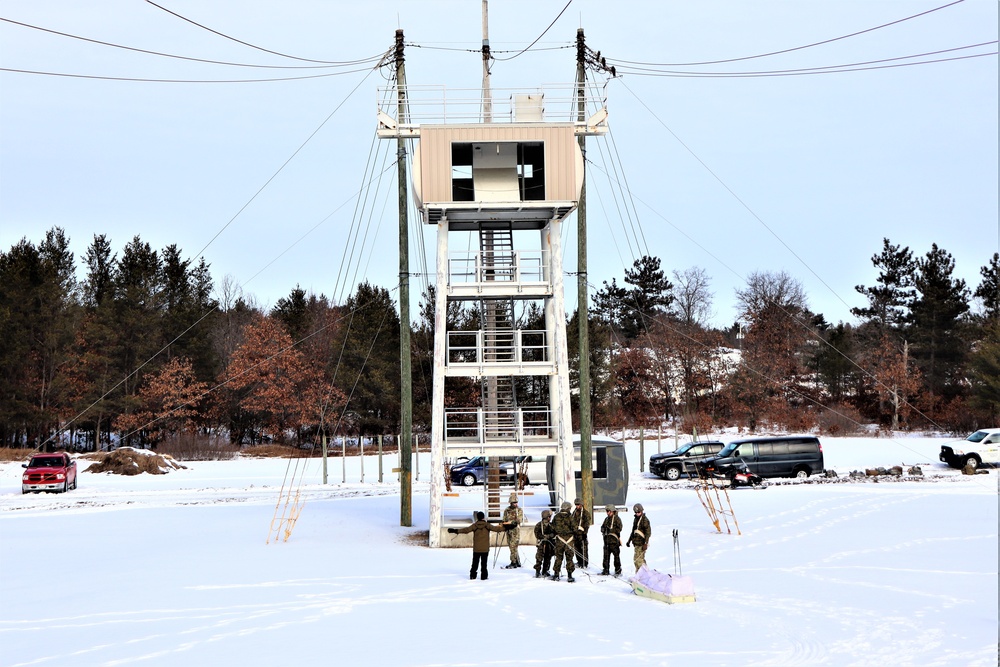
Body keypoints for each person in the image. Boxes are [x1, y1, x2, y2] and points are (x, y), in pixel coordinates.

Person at [448, 511, 506, 580]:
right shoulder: (487, 525)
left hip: (476, 549)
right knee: (484, 564)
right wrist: (506, 527)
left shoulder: (474, 525)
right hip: (485, 549)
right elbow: (497, 529)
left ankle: (472, 576)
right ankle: (484, 576)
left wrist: (455, 531)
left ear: (477, 517)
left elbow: (466, 530)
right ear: (483, 517)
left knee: (475, 563)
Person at [549, 501, 576, 582]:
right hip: (569, 540)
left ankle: (556, 574)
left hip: (559, 541)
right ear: (568, 508)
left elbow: (552, 528)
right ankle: (570, 575)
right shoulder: (571, 517)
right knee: (569, 558)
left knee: (558, 558)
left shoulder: (556, 517)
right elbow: (574, 528)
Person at [626, 503, 651, 573]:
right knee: (639, 560)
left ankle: (642, 575)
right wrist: (629, 541)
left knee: (638, 560)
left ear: (642, 511)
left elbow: (648, 532)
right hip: (636, 543)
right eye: (636, 512)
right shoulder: (636, 520)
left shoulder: (644, 520)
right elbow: (633, 531)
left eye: (638, 512)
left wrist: (645, 543)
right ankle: (642, 574)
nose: (637, 514)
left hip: (641, 543)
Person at [501, 493, 524, 569]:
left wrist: (512, 523)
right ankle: (517, 561)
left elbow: (519, 519)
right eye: (514, 502)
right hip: (508, 531)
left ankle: (513, 562)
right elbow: (504, 519)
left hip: (515, 531)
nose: (515, 504)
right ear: (510, 502)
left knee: (513, 546)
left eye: (516, 502)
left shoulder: (519, 510)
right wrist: (504, 525)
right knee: (511, 546)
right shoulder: (507, 510)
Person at [599, 503, 622, 576]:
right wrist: (603, 529)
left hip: (614, 542)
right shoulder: (606, 519)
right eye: (606, 511)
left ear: (612, 511)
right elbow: (602, 526)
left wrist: (611, 530)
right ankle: (606, 570)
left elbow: (620, 528)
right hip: (606, 541)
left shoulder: (617, 519)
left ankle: (618, 570)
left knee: (616, 557)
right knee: (606, 557)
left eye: (608, 511)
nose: (607, 513)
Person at [533, 509, 555, 578]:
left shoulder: (551, 525)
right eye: (550, 516)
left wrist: (550, 536)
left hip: (549, 544)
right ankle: (538, 571)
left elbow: (554, 533)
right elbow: (537, 534)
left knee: (547, 558)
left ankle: (545, 571)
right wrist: (544, 537)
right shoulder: (539, 525)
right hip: (541, 544)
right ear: (548, 517)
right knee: (539, 558)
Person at [572, 497, 592, 568]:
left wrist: (585, 533)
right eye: (576, 505)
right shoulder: (574, 513)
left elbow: (587, 524)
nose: (577, 506)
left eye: (578, 505)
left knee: (583, 549)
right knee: (576, 548)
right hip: (575, 534)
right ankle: (579, 561)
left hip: (582, 534)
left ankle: (584, 563)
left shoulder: (585, 513)